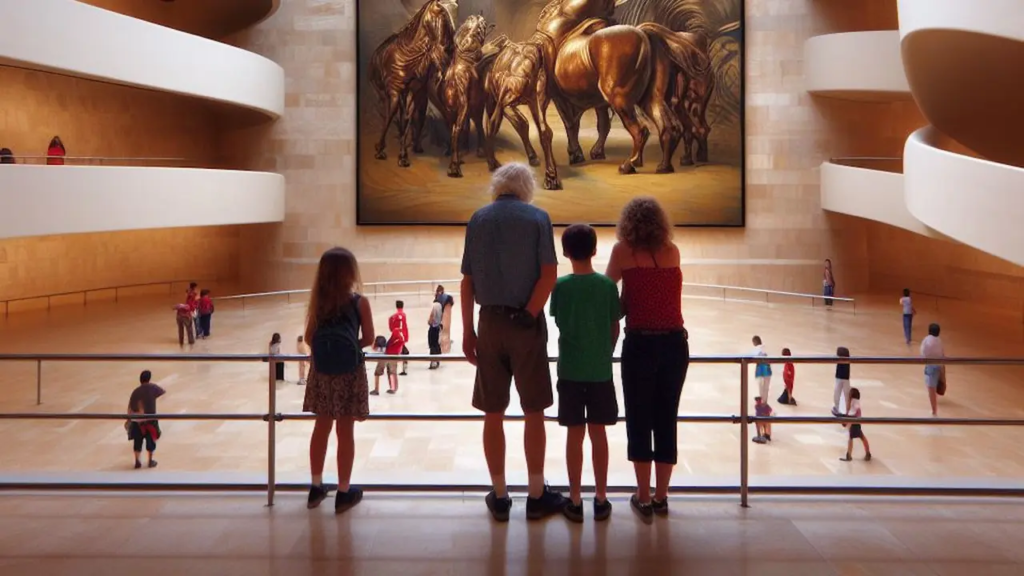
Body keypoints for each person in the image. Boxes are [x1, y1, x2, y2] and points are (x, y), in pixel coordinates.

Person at [460, 162, 566, 522]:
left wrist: (467, 331)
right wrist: (530, 312)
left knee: (493, 411)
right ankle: (537, 494)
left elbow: (467, 281)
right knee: (533, 410)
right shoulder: (538, 218)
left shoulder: (478, 219)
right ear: (526, 187)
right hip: (526, 323)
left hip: (488, 322)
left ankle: (501, 494)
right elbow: (549, 273)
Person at [606, 196, 689, 521]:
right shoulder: (672, 251)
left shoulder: (623, 251)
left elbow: (606, 287)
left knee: (639, 419)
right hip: (674, 345)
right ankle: (661, 497)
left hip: (640, 344)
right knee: (666, 417)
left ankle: (642, 497)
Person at [549, 224, 619, 523]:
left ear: (565, 252)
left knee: (574, 436)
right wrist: (605, 351)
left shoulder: (561, 287)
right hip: (600, 371)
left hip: (571, 372)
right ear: (594, 250)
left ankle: (575, 499)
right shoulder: (607, 286)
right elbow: (615, 326)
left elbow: (559, 322)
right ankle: (601, 499)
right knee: (598, 434)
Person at [303, 247, 375, 513]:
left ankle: (315, 486)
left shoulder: (318, 303)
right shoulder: (359, 302)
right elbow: (368, 337)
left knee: (321, 427)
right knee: (345, 431)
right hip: (349, 372)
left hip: (322, 372)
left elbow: (310, 337)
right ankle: (344, 491)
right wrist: (349, 347)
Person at [126, 370, 166, 469]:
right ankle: (150, 461)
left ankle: (137, 461)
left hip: (137, 421)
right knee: (151, 441)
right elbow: (163, 392)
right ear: (149, 378)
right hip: (150, 420)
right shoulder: (153, 388)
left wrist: (129, 419)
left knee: (137, 442)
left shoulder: (135, 391)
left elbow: (130, 406)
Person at [839, 388, 871, 461]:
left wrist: (849, 420)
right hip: (856, 422)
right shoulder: (854, 402)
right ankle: (867, 453)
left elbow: (854, 411)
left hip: (854, 423)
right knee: (861, 437)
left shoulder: (854, 402)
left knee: (851, 438)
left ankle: (849, 455)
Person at [921, 323, 945, 416]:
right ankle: (935, 407)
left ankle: (934, 410)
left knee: (931, 389)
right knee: (934, 388)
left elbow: (923, 353)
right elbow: (942, 353)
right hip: (939, 365)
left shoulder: (927, 340)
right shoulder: (939, 340)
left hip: (930, 366)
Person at [389, 301, 410, 375]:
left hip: (396, 336)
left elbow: (391, 327)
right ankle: (404, 369)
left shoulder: (393, 316)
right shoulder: (404, 315)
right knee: (404, 352)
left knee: (396, 352)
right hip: (402, 336)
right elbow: (405, 327)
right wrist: (406, 336)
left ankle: (394, 368)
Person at [435, 285, 455, 355]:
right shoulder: (447, 298)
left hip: (441, 311)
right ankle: (445, 344)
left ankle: (443, 342)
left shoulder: (437, 298)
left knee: (442, 329)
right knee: (446, 328)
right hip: (445, 309)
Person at [384, 325, 405, 393]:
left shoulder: (397, 340)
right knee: (391, 373)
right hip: (390, 358)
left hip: (392, 358)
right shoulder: (395, 340)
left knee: (392, 373)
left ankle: (393, 388)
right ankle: (392, 387)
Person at [832, 346, 851, 417]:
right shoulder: (847, 361)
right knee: (846, 394)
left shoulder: (840, 361)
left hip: (840, 378)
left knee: (838, 393)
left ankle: (838, 408)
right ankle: (846, 409)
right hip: (845, 378)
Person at [752, 335, 771, 401]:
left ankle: (761, 402)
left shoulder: (755, 350)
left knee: (760, 387)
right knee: (766, 387)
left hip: (760, 370)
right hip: (768, 369)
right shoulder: (765, 348)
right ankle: (765, 402)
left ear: (754, 342)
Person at [427, 300, 443, 369]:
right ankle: (437, 360)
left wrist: (429, 322)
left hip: (433, 328)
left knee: (432, 345)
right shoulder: (440, 306)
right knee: (437, 344)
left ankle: (433, 361)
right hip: (438, 327)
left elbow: (431, 317)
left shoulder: (434, 306)